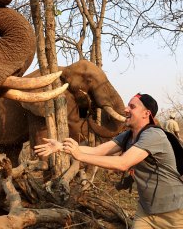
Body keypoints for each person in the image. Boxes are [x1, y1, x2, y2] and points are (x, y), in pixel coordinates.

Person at [34, 93, 183, 228]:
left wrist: (79, 156)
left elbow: (123, 163)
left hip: (174, 212)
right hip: (146, 211)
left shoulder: (153, 135)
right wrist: (60, 146)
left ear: (146, 114)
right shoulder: (127, 136)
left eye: (132, 106)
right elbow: (97, 151)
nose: (126, 109)